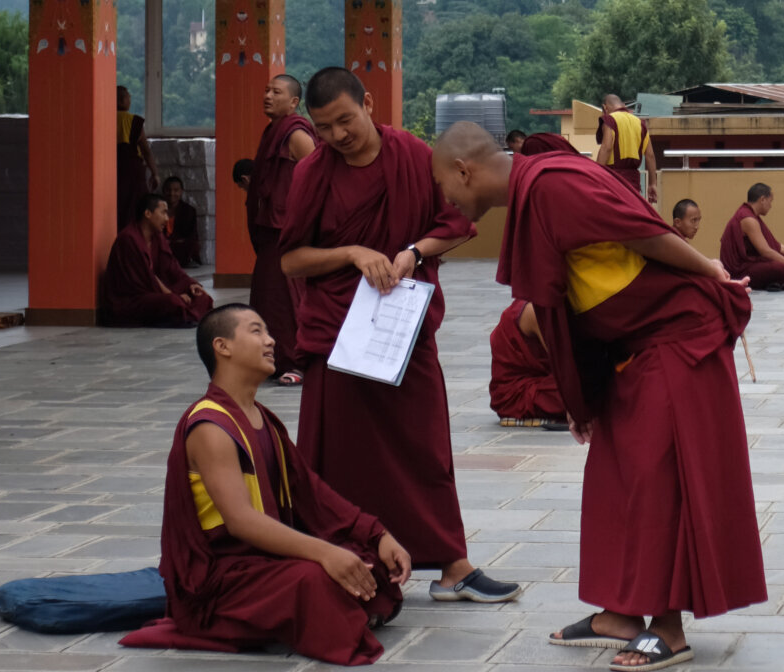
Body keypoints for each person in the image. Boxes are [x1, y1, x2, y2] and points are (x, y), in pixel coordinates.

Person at [430, 124, 766, 667]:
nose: (447, 200)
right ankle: (621, 612)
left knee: (662, 478)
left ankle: (669, 627)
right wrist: (579, 390)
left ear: (464, 170)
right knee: (616, 476)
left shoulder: (550, 184)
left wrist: (706, 265)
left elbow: (639, 231)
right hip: (634, 345)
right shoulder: (537, 188)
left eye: (446, 188)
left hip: (677, 337)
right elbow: (574, 297)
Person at [278, 69, 512, 604]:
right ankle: (343, 559)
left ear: (368, 104)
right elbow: (291, 259)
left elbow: (454, 221)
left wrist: (414, 252)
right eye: (324, 127)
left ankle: (454, 564)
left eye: (345, 119)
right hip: (339, 334)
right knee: (341, 455)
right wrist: (353, 253)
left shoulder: (410, 154)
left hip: (404, 327)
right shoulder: (314, 173)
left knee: (424, 446)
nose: (338, 135)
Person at [121, 304, 413, 665]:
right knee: (313, 578)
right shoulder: (211, 426)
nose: (271, 340)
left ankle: (324, 611)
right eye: (256, 331)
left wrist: (376, 534)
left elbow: (314, 495)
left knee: (366, 560)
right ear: (222, 347)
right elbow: (241, 520)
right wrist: (325, 554)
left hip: (264, 562)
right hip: (222, 577)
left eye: (268, 331)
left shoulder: (264, 420)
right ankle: (315, 614)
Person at [248, 75, 317, 385]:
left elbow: (318, 178)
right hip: (270, 230)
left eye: (276, 92)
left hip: (288, 230)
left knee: (290, 298)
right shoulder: (271, 131)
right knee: (267, 298)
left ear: (293, 102)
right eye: (266, 89)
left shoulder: (297, 134)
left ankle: (299, 360)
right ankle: (272, 359)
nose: (267, 95)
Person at [103, 193, 213, 328]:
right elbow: (147, 278)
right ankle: (185, 314)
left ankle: (184, 314)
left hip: (155, 290)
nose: (167, 219)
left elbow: (172, 267)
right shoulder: (129, 239)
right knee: (172, 302)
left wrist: (191, 284)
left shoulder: (157, 237)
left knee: (201, 296)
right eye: (163, 213)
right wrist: (174, 295)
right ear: (148, 213)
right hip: (132, 299)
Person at [718, 184, 784, 291]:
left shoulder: (751, 215)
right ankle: (773, 282)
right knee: (783, 268)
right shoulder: (747, 219)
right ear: (762, 199)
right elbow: (766, 251)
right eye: (770, 201)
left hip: (750, 264)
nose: (771, 205)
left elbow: (775, 246)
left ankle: (774, 282)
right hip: (738, 271)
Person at [489, 300, 566, 428]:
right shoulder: (535, 310)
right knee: (591, 389)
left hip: (549, 380)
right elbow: (565, 365)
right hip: (520, 395)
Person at [595, 94, 659, 205]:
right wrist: (652, 184)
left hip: (613, 181)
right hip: (633, 182)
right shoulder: (640, 123)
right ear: (623, 105)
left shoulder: (610, 120)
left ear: (605, 108)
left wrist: (595, 176)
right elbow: (650, 155)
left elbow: (607, 147)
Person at [117, 86, 158, 229]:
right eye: (128, 97)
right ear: (122, 101)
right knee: (136, 209)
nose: (130, 100)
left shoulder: (105, 119)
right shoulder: (133, 121)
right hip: (133, 172)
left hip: (113, 171)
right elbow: (146, 151)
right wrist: (155, 173)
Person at [164, 176, 204, 268]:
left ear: (181, 191)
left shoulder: (188, 210)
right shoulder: (157, 209)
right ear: (163, 191)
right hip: (162, 244)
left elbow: (192, 235)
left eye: (176, 190)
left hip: (178, 246)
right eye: (168, 190)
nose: (172, 193)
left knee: (192, 245)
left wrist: (172, 241)